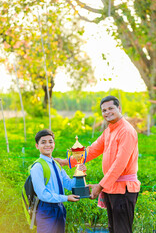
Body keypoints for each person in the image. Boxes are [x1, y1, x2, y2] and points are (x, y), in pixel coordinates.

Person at [56, 95, 141, 233]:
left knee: (122, 230)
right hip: (111, 188)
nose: (107, 112)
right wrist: (66, 162)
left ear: (119, 108)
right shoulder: (109, 131)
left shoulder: (126, 131)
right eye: (104, 110)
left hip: (123, 190)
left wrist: (100, 186)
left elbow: (120, 164)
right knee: (113, 229)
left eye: (111, 108)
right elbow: (92, 150)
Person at [30, 129, 83, 233]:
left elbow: (69, 184)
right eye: (43, 142)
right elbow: (43, 194)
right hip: (46, 209)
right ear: (37, 145)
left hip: (59, 208)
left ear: (54, 144)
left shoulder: (57, 164)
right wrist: (66, 198)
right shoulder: (37, 167)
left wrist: (79, 173)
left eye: (50, 142)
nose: (47, 145)